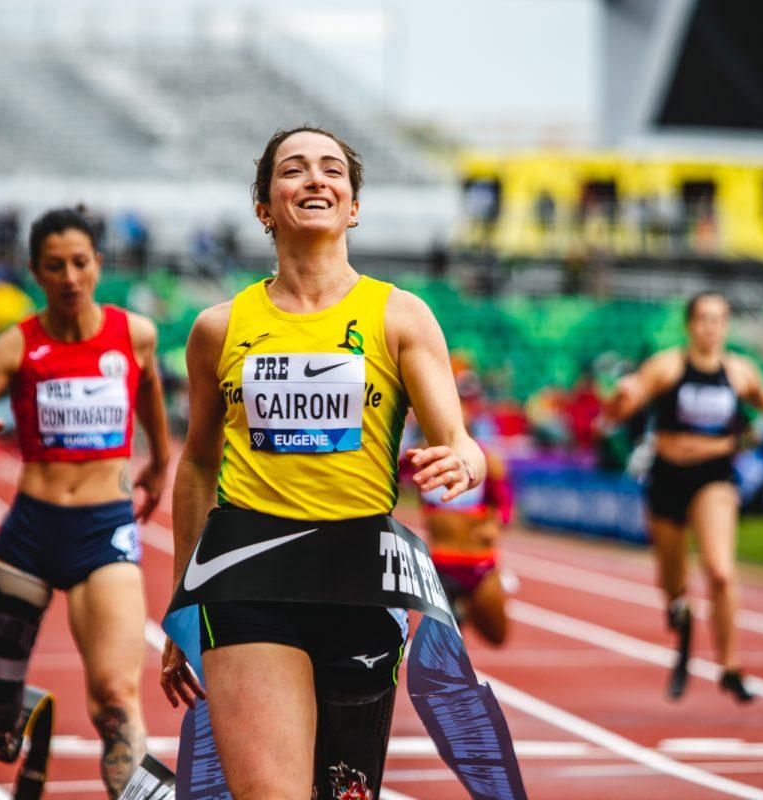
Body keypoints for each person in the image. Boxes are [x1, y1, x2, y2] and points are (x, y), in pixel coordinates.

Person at [158, 126, 486, 800]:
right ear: (264, 207)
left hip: (360, 580)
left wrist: (463, 462)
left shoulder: (401, 317)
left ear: (353, 205)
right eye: (293, 170)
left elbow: (461, 438)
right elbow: (194, 468)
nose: (314, 179)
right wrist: (181, 605)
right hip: (247, 576)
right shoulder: (218, 329)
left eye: (331, 170)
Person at [0, 207, 170, 797]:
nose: (70, 277)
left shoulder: (133, 333)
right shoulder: (17, 345)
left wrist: (160, 463)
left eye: (80, 263)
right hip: (30, 535)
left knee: (116, 697)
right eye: (55, 266)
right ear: (36, 272)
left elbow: (150, 392)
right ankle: (12, 705)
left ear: (98, 265)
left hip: (103, 532)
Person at [603, 291, 763, 702]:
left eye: (719, 319)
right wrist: (620, 397)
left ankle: (730, 665)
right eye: (704, 319)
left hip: (714, 475)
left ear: (726, 326)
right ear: (690, 325)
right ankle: (680, 612)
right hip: (668, 475)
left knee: (721, 571)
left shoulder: (739, 371)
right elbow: (616, 413)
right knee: (671, 580)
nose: (711, 327)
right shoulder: (667, 367)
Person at [414, 370, 513, 645]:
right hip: (442, 562)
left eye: (465, 406)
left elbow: (505, 505)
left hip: (479, 563)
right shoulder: (421, 457)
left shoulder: (489, 461)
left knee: (497, 636)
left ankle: (466, 612)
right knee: (441, 647)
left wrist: (495, 524)